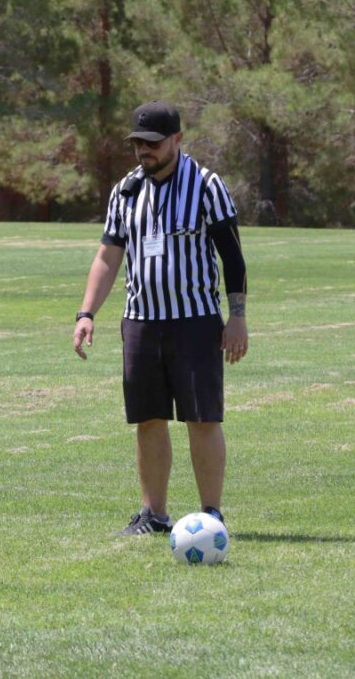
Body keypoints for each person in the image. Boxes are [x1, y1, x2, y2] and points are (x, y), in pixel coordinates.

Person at [72, 101, 248, 536]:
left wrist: (237, 316)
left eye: (152, 144)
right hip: (141, 322)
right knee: (148, 418)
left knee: (202, 418)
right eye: (137, 144)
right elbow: (108, 256)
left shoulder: (207, 186)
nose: (143, 152)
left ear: (177, 140)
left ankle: (211, 514)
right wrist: (86, 312)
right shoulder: (126, 191)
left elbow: (233, 257)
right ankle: (153, 514)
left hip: (195, 320)